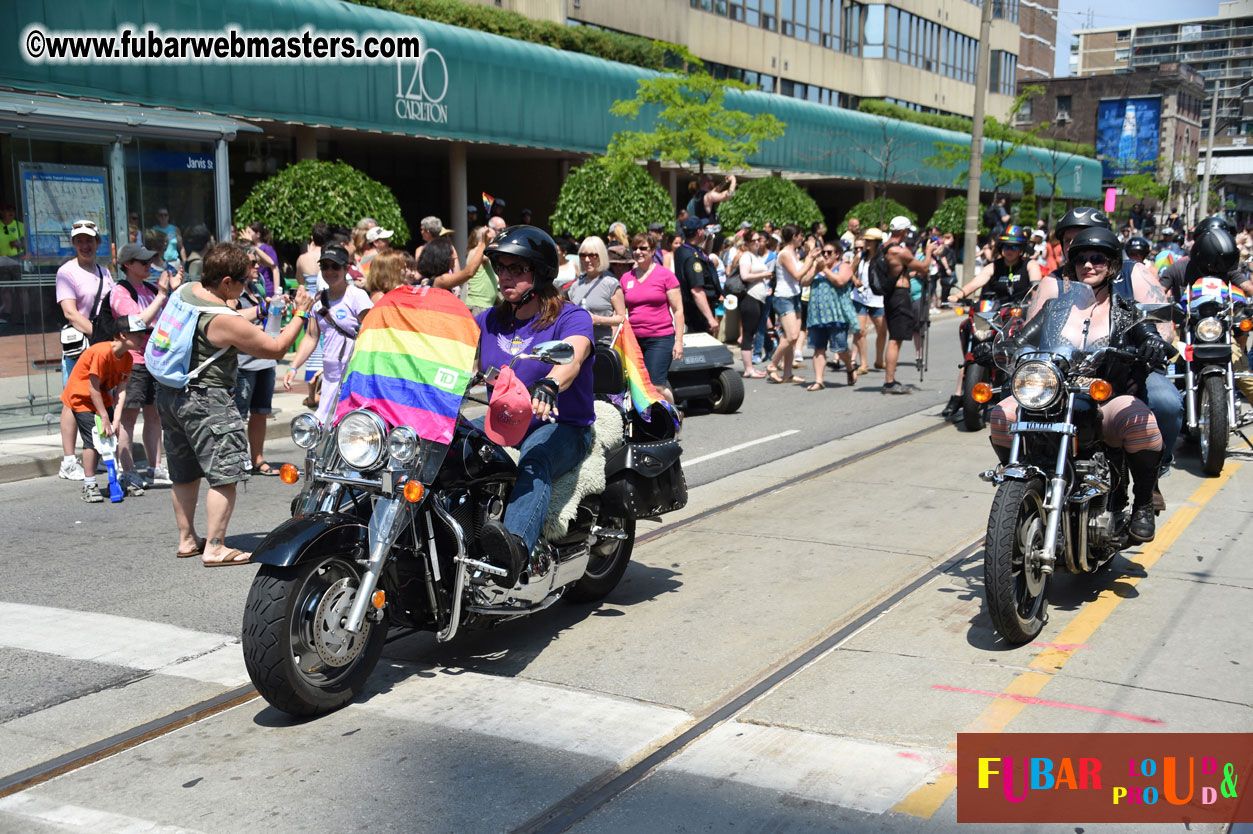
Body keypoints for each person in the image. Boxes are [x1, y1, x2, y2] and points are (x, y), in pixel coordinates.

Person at [988, 228, 1166, 541]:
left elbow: (1148, 333)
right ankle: (1020, 484)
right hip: (1052, 395)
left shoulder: (1126, 312)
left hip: (1103, 401)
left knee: (1141, 422)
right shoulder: (1054, 309)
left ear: (1111, 264)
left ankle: (1141, 504)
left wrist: (1152, 343)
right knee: (1001, 414)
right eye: (1081, 258)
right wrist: (998, 347)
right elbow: (1021, 339)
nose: (1088, 265)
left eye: (1097, 258)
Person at [159, 243, 314, 566]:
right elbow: (274, 348)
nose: (247, 286)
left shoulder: (188, 292)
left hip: (172, 393)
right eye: (244, 280)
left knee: (184, 471)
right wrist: (301, 313)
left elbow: (230, 316)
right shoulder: (223, 319)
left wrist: (258, 311)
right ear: (227, 281)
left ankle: (187, 539)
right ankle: (215, 546)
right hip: (207, 400)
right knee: (225, 473)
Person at [474, 226, 596, 583]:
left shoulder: (570, 317)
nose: (506, 276)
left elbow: (572, 357)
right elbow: (450, 348)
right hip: (506, 421)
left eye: (517, 269)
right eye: (501, 268)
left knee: (535, 458)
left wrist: (550, 382)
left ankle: (512, 550)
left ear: (540, 273)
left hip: (563, 425)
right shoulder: (489, 321)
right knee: (446, 447)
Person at [942, 225, 1040, 416]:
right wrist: (959, 294)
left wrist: (1036, 299)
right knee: (972, 339)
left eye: (1013, 247)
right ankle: (958, 394)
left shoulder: (1029, 265)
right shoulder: (994, 266)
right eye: (1005, 246)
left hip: (1019, 314)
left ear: (1021, 249)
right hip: (995, 313)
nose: (1009, 250)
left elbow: (1036, 285)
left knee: (1024, 348)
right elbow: (978, 281)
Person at [110, 241, 180, 489]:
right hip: (133, 362)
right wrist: (162, 295)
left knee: (154, 416)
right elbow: (137, 323)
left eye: (150, 261)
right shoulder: (120, 291)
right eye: (143, 262)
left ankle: (154, 467)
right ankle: (128, 471)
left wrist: (174, 292)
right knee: (128, 417)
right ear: (128, 265)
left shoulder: (151, 288)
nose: (149, 265)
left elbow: (168, 319)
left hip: (155, 359)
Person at [282, 241, 372, 425]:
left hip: (354, 380)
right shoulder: (319, 301)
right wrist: (293, 367)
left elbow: (373, 333)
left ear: (346, 268)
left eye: (335, 266)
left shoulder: (357, 297)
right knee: (322, 432)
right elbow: (311, 337)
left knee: (351, 433)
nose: (330, 271)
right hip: (330, 380)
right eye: (325, 266)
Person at [62, 315, 149, 502]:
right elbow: (92, 388)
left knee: (112, 437)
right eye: (138, 334)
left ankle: (118, 479)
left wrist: (115, 420)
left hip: (102, 398)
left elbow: (121, 391)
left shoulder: (126, 358)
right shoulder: (102, 352)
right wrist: (104, 417)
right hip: (81, 397)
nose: (142, 338)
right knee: (93, 439)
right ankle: (89, 484)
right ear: (123, 335)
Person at [56, 219, 115, 481]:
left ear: (97, 242)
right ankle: (69, 461)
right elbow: (70, 312)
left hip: (102, 346)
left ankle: (99, 453)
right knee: (73, 400)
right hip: (83, 344)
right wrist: (98, 335)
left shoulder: (105, 272)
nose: (84, 245)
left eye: (89, 240)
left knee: (98, 398)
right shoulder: (66, 272)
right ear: (73, 244)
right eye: (79, 240)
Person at [233, 251, 284, 475]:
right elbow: (232, 322)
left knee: (260, 412)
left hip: (265, 360)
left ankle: (257, 459)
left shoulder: (257, 289)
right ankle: (236, 460)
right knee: (237, 415)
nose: (257, 266)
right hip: (244, 363)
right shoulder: (233, 294)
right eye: (253, 263)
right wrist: (261, 329)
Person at [877, 217, 938, 394]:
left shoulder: (884, 246)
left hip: (891, 295)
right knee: (895, 340)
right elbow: (924, 268)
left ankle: (890, 379)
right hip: (899, 296)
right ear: (903, 231)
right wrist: (928, 252)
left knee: (895, 338)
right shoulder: (900, 251)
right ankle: (889, 382)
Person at [620, 234, 682, 401]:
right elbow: (619, 312)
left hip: (660, 338)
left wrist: (679, 341)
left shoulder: (665, 275)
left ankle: (673, 414)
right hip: (634, 340)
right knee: (636, 385)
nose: (638, 252)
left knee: (656, 385)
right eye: (635, 248)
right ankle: (649, 422)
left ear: (653, 250)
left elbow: (678, 310)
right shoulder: (626, 278)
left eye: (643, 248)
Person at [766, 225, 821, 384]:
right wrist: (809, 259)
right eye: (800, 235)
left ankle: (788, 374)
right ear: (794, 236)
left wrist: (814, 266)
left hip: (795, 296)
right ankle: (772, 365)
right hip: (783, 298)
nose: (802, 238)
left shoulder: (795, 254)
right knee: (792, 336)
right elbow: (797, 275)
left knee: (791, 337)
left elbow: (803, 281)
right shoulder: (784, 254)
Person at [806, 239, 859, 390]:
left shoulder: (844, 267)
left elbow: (841, 281)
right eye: (824, 252)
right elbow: (803, 281)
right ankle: (819, 381)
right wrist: (816, 270)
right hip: (817, 314)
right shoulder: (818, 267)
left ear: (838, 254)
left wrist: (826, 270)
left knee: (840, 348)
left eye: (829, 252)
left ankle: (849, 366)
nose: (826, 255)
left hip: (837, 315)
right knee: (818, 348)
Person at [565, 235, 627, 344]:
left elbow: (621, 318)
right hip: (577, 344)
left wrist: (597, 319)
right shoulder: (575, 286)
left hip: (601, 345)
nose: (587, 259)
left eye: (592, 255)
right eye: (583, 255)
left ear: (601, 256)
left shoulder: (611, 283)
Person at [673, 217, 721, 335]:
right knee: (703, 349)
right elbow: (696, 290)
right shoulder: (692, 258)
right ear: (699, 232)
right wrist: (710, 319)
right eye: (703, 229)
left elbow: (704, 253)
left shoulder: (684, 249)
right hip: (700, 312)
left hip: (696, 310)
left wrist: (709, 238)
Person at [735, 229, 772, 378]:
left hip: (759, 298)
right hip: (750, 298)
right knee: (748, 334)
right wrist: (763, 274)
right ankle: (748, 369)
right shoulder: (746, 256)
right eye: (753, 240)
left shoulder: (755, 256)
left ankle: (751, 368)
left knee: (752, 332)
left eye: (758, 239)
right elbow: (745, 276)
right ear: (747, 243)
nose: (757, 242)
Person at [850, 228, 887, 375]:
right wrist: (854, 279)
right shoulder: (860, 257)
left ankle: (879, 360)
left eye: (869, 241)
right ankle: (863, 364)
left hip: (878, 298)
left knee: (882, 330)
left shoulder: (883, 258)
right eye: (866, 240)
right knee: (861, 331)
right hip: (860, 297)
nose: (866, 243)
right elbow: (850, 271)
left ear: (876, 242)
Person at [465, 217, 506, 315]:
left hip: (485, 305)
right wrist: (487, 241)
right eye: (500, 230)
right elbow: (488, 255)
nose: (503, 233)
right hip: (478, 305)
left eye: (505, 229)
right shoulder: (477, 252)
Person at [240, 222, 279, 295]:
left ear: (257, 235)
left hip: (268, 288)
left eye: (249, 232)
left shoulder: (267, 248)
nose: (246, 235)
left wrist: (276, 291)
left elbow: (273, 265)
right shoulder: (249, 249)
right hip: (256, 286)